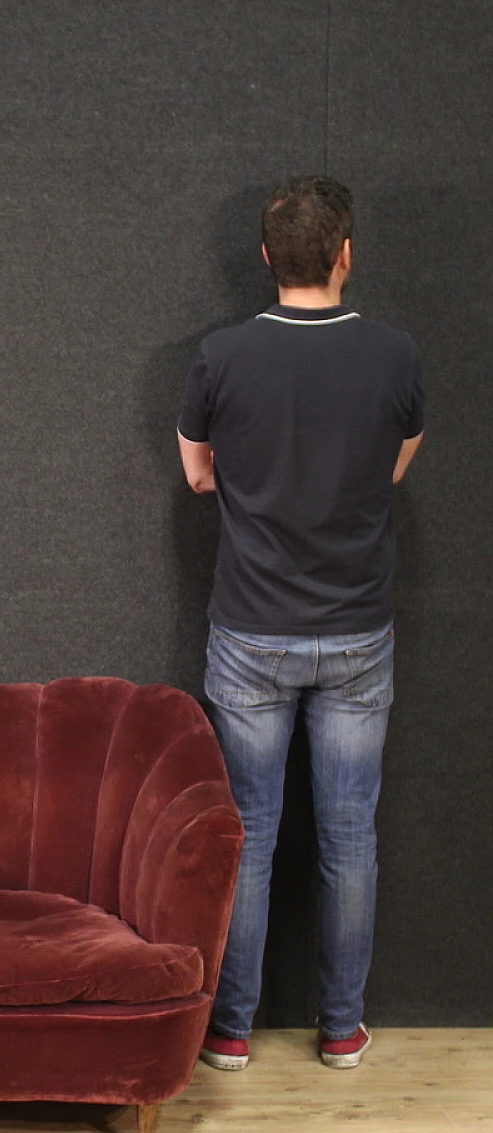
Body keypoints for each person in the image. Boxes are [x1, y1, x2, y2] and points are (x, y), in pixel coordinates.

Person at [176, 176, 424, 1071]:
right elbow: (396, 465)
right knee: (349, 835)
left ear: (269, 257)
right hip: (358, 631)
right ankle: (342, 1027)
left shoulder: (221, 355)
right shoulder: (395, 356)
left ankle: (232, 1029)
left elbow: (199, 474)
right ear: (347, 255)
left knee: (247, 830)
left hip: (251, 631)